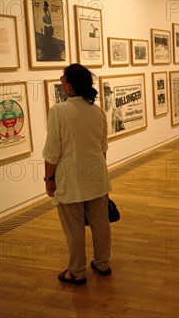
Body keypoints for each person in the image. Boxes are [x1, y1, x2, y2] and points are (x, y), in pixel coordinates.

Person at [43, 63, 113, 286]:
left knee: (74, 230)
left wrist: (49, 179)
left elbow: (52, 152)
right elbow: (102, 149)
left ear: (69, 85)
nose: (61, 82)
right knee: (101, 224)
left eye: (62, 79)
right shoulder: (98, 112)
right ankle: (103, 264)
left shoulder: (58, 111)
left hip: (70, 179)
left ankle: (77, 272)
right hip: (97, 176)